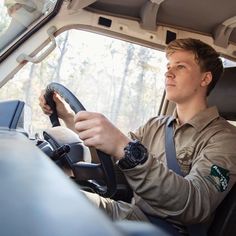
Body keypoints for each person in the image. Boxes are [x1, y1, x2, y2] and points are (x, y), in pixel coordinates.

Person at [39, 38, 236, 233]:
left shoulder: (225, 139)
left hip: (164, 230)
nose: (168, 72)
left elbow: (195, 205)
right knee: (52, 195)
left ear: (205, 79)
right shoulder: (155, 125)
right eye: (168, 66)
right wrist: (68, 117)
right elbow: (115, 166)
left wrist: (124, 148)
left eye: (180, 66)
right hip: (133, 214)